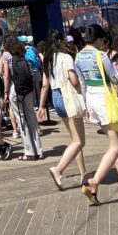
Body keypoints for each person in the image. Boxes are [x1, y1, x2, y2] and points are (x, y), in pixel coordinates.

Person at [75, 25, 118, 205]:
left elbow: (81, 83)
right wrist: (116, 70)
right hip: (106, 100)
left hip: (91, 99)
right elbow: (115, 78)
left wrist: (86, 108)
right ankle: (93, 182)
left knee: (116, 143)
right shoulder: (101, 55)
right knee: (115, 147)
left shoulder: (78, 56)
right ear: (97, 39)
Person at [37, 30, 88, 190]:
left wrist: (41, 106)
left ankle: (83, 173)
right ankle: (58, 169)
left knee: (75, 140)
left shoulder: (47, 59)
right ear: (60, 41)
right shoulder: (66, 58)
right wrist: (82, 82)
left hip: (56, 98)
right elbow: (73, 80)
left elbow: (45, 84)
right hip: (69, 98)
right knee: (79, 141)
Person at [6, 40, 42, 161]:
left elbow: (6, 76)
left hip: (16, 91)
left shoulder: (10, 60)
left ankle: (29, 151)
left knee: (21, 120)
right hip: (28, 90)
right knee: (31, 117)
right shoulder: (26, 58)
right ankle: (38, 149)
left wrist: (6, 93)